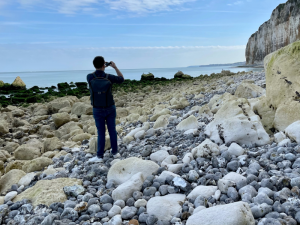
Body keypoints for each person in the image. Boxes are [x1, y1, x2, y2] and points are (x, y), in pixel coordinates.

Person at [87, 56, 124, 163]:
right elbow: (121, 79)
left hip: (97, 108)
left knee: (101, 132)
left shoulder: (89, 77)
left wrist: (101, 67)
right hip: (110, 107)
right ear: (104, 65)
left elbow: (96, 72)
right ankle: (115, 153)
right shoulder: (109, 77)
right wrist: (115, 67)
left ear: (94, 65)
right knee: (112, 130)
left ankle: (99, 156)